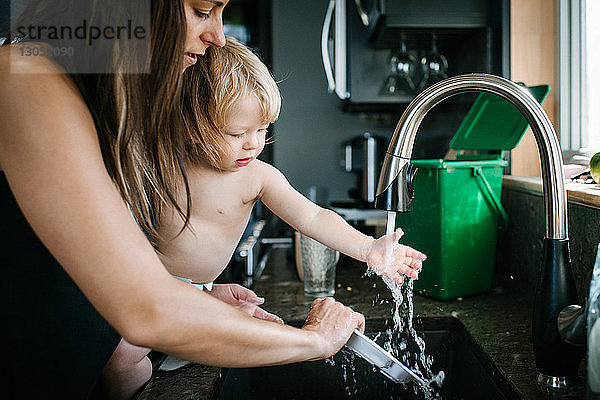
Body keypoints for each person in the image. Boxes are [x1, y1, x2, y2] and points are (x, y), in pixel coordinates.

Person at [0, 1, 367, 399]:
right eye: (201, 10)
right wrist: (314, 341)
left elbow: (107, 277)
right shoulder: (23, 76)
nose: (218, 37)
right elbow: (146, 308)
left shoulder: (102, 101)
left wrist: (198, 298)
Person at [100, 36, 428, 399]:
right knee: (119, 360)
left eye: (262, 130)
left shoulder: (257, 176)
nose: (253, 144)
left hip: (193, 296)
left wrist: (370, 249)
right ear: (190, 122)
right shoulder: (160, 163)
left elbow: (314, 218)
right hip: (151, 294)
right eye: (237, 133)